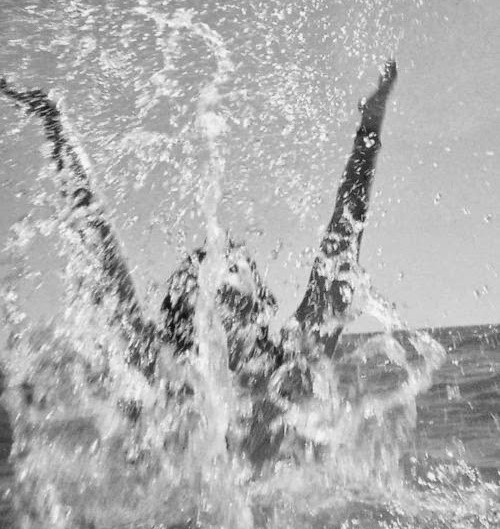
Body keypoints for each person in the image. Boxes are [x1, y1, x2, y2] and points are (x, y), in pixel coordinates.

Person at [0, 60, 398, 467]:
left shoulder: (289, 367)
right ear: (188, 306)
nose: (222, 269)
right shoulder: (161, 366)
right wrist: (54, 124)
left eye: (236, 268)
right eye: (208, 274)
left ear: (258, 304)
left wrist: (369, 130)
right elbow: (98, 247)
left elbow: (341, 243)